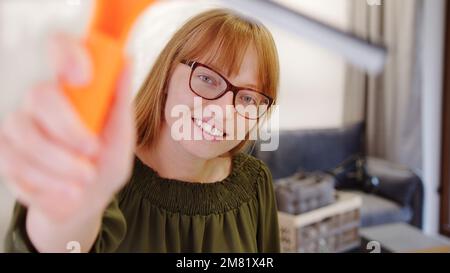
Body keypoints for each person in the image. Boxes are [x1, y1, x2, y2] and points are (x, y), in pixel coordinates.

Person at [0, 8, 280, 253]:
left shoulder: (255, 182)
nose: (224, 110)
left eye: (247, 98)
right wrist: (64, 212)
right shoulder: (105, 174)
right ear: (167, 76)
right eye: (207, 78)